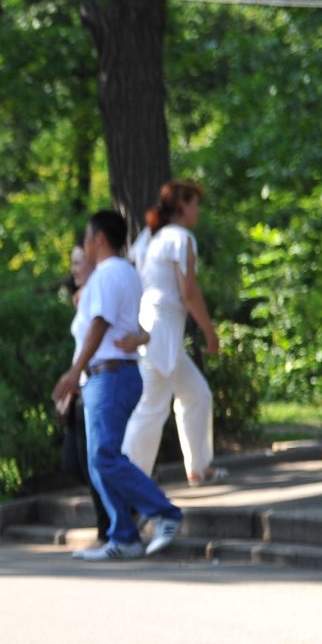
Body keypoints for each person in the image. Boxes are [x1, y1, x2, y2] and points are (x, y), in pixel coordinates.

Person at [52, 210, 183, 561]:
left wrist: (72, 373)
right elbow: (119, 327)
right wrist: (78, 378)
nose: (84, 245)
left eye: (86, 237)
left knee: (104, 457)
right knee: (98, 461)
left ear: (97, 239)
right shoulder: (115, 274)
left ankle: (163, 512)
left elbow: (99, 325)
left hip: (109, 376)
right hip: (102, 376)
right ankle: (123, 535)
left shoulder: (110, 273)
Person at [125, 180, 224, 486]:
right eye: (194, 203)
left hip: (153, 327)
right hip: (161, 332)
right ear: (182, 205)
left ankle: (199, 468)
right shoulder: (181, 238)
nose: (197, 210)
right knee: (152, 408)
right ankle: (127, 480)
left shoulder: (150, 237)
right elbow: (189, 293)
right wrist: (210, 333)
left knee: (197, 395)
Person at [56, 244, 113, 545]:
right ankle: (117, 514)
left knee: (93, 462)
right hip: (81, 384)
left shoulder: (102, 293)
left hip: (97, 382)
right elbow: (81, 346)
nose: (74, 269)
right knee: (74, 464)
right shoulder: (84, 298)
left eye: (79, 263)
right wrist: (69, 384)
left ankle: (110, 525)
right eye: (73, 263)